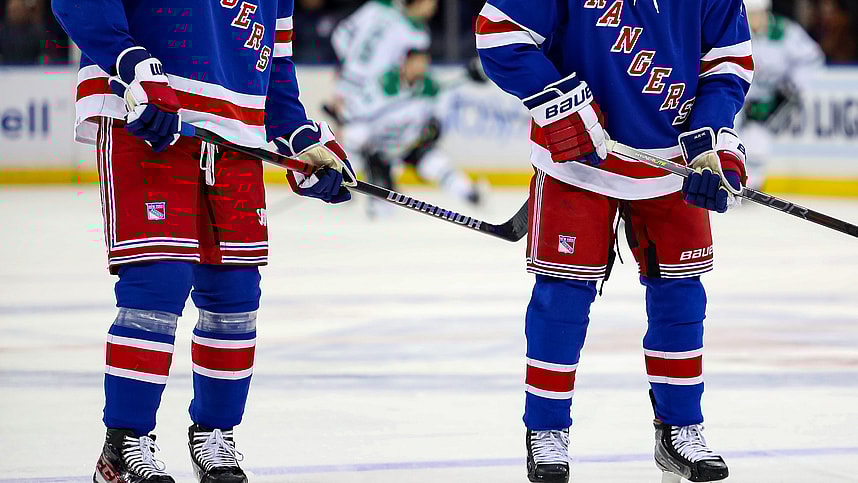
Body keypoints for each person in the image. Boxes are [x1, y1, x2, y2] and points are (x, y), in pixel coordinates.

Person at [51, 0, 355, 481]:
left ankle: (216, 435)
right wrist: (132, 66)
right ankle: (123, 444)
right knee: (158, 282)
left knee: (235, 297)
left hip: (236, 136)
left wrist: (298, 138)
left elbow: (274, 68)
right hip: (148, 117)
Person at [476, 1, 753, 482]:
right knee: (561, 296)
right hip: (579, 161)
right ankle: (545, 432)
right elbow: (500, 32)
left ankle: (681, 428)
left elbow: (728, 60)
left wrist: (711, 141)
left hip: (674, 162)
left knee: (681, 295)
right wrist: (558, 100)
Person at [329, 0, 483, 213]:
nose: (434, 8)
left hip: (393, 130)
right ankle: (346, 187)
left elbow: (341, 36)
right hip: (372, 117)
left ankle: (468, 193)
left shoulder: (379, 8)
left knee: (429, 160)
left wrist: (348, 79)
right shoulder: (414, 36)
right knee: (354, 136)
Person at [739, 0, 823, 190]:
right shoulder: (736, 30)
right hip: (742, 98)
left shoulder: (785, 32)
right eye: (750, 14)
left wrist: (791, 87)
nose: (754, 19)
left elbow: (812, 58)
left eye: (758, 13)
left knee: (757, 138)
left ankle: (752, 184)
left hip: (773, 98)